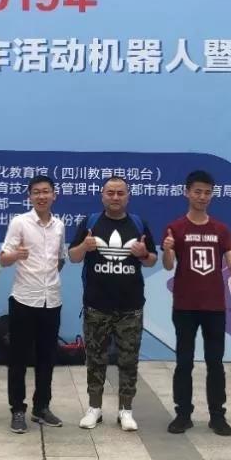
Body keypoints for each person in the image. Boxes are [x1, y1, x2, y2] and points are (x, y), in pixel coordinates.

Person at [161, 169, 231, 436]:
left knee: (215, 362)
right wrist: (167, 249)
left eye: (207, 193)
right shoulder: (176, 228)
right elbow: (168, 265)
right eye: (197, 192)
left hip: (214, 307)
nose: (202, 197)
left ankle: (217, 416)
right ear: (187, 193)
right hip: (185, 306)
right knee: (184, 362)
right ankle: (183, 414)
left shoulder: (220, 229)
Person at [68, 177, 157, 432]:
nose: (115, 197)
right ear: (102, 195)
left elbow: (152, 259)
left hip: (130, 307)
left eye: (120, 193)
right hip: (97, 306)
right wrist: (84, 246)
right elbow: (73, 257)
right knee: (95, 359)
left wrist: (143, 253)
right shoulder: (90, 222)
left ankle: (125, 411)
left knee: (128, 360)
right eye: (110, 193)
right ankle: (94, 409)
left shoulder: (138, 223)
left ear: (128, 196)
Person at [0, 175, 67, 434]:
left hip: (52, 300)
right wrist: (16, 255)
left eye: (46, 191)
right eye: (36, 192)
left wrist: (48, 278)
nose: (41, 196)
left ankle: (42, 407)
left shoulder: (59, 225)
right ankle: (17, 409)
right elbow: (3, 258)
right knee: (18, 358)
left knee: (47, 358)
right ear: (29, 196)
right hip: (24, 299)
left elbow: (60, 259)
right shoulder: (20, 222)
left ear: (54, 195)